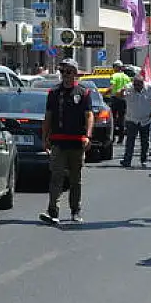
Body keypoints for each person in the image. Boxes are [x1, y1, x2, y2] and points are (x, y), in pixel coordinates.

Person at [40, 59, 94, 225]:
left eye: (69, 71)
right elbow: (48, 117)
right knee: (56, 177)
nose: (66, 75)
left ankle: (75, 211)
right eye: (63, 72)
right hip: (58, 141)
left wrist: (88, 135)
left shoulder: (83, 92)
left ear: (75, 73)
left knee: (75, 180)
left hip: (77, 142)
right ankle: (52, 211)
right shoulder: (54, 93)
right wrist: (45, 138)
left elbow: (89, 115)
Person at [121, 74, 151, 168]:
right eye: (135, 85)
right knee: (130, 141)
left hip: (145, 119)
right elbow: (119, 95)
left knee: (145, 141)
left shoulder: (150, 88)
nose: (137, 87)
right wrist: (121, 91)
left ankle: (144, 160)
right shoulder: (128, 88)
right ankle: (127, 160)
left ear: (143, 83)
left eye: (139, 85)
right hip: (132, 119)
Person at [108, 61, 131, 144]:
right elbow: (129, 87)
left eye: (114, 67)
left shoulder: (114, 76)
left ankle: (112, 137)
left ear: (117, 67)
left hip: (115, 98)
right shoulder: (126, 77)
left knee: (113, 118)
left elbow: (111, 87)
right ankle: (121, 138)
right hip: (124, 99)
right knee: (122, 118)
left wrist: (105, 93)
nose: (113, 68)